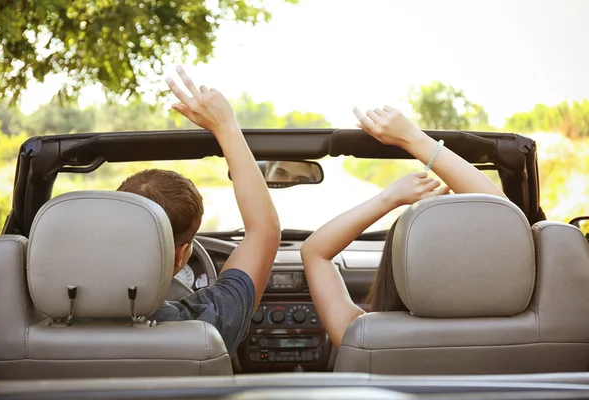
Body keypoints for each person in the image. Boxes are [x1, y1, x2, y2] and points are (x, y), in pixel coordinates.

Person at [300, 105, 507, 349]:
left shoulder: (364, 337)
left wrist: (390, 197)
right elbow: (504, 218)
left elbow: (313, 253)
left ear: (394, 264)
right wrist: (413, 137)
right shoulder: (504, 331)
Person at [118, 65, 281, 355]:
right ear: (180, 255)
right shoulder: (205, 326)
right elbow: (263, 233)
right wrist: (226, 126)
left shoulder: (34, 324)